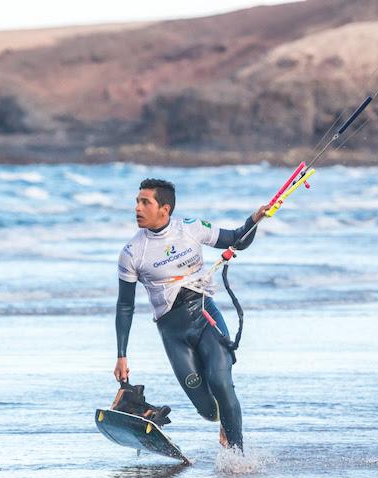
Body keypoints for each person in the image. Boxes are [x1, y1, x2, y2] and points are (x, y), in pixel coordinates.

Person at [114, 178, 268, 452]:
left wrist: (254, 219)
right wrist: (121, 355)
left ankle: (237, 457)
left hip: (205, 316)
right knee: (208, 410)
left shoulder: (192, 229)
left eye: (144, 202)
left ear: (165, 208)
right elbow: (125, 306)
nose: (137, 207)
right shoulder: (132, 253)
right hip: (173, 334)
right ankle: (223, 419)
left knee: (221, 383)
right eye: (137, 201)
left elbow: (236, 239)